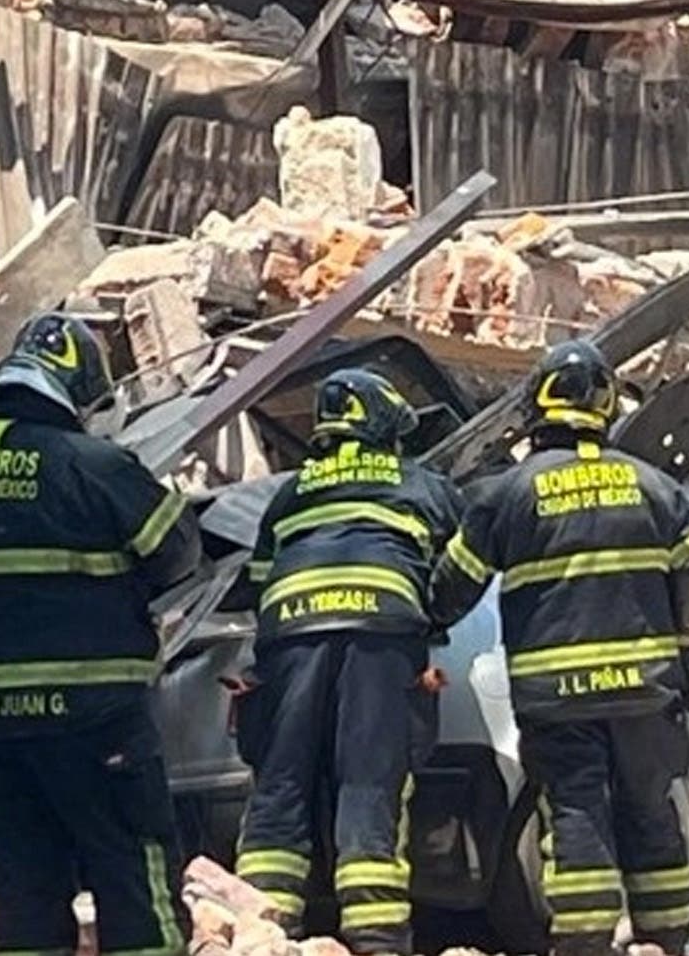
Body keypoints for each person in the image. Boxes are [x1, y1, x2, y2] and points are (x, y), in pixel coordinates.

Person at [0, 312, 203, 956]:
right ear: (74, 389)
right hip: (92, 715)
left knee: (25, 885)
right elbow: (176, 551)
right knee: (134, 868)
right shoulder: (94, 464)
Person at [428, 342, 689, 956]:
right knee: (650, 809)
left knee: (576, 811)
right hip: (645, 689)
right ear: (607, 407)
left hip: (557, 698)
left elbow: (454, 585)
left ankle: (583, 942)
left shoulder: (507, 494)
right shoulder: (656, 488)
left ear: (537, 410)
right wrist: (687, 655)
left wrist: (424, 621)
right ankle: (666, 938)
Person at [226, 369, 462, 954]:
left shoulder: (291, 492)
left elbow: (258, 581)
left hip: (291, 635)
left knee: (281, 783)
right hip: (381, 638)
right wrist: (433, 619)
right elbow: (465, 563)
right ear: (384, 423)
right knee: (370, 781)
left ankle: (264, 928)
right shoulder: (418, 482)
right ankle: (377, 936)